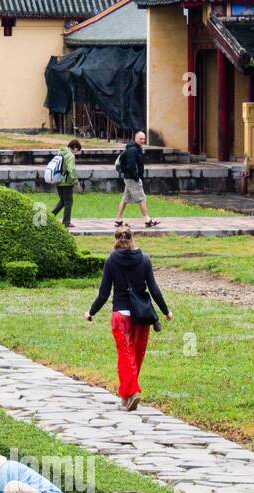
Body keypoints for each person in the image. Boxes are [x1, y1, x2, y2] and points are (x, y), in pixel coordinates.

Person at [85, 227, 171, 411]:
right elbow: (154, 289)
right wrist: (166, 311)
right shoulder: (145, 259)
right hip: (141, 315)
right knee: (136, 356)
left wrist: (91, 312)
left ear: (116, 239)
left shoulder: (111, 261)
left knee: (125, 355)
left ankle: (131, 392)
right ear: (132, 239)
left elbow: (104, 294)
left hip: (121, 316)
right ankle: (127, 395)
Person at [114, 131, 159, 229]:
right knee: (142, 198)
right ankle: (147, 220)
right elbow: (131, 166)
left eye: (144, 139)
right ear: (136, 139)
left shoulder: (135, 149)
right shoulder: (133, 150)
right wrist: (136, 178)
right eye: (141, 139)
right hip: (132, 179)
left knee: (125, 199)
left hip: (129, 178)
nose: (143, 141)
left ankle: (118, 219)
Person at [51, 139, 83, 229]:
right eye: (77, 150)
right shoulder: (70, 155)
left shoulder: (60, 153)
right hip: (66, 182)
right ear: (75, 147)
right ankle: (66, 222)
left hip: (57, 180)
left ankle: (50, 216)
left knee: (62, 201)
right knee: (68, 202)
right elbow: (71, 169)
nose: (76, 152)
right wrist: (75, 181)